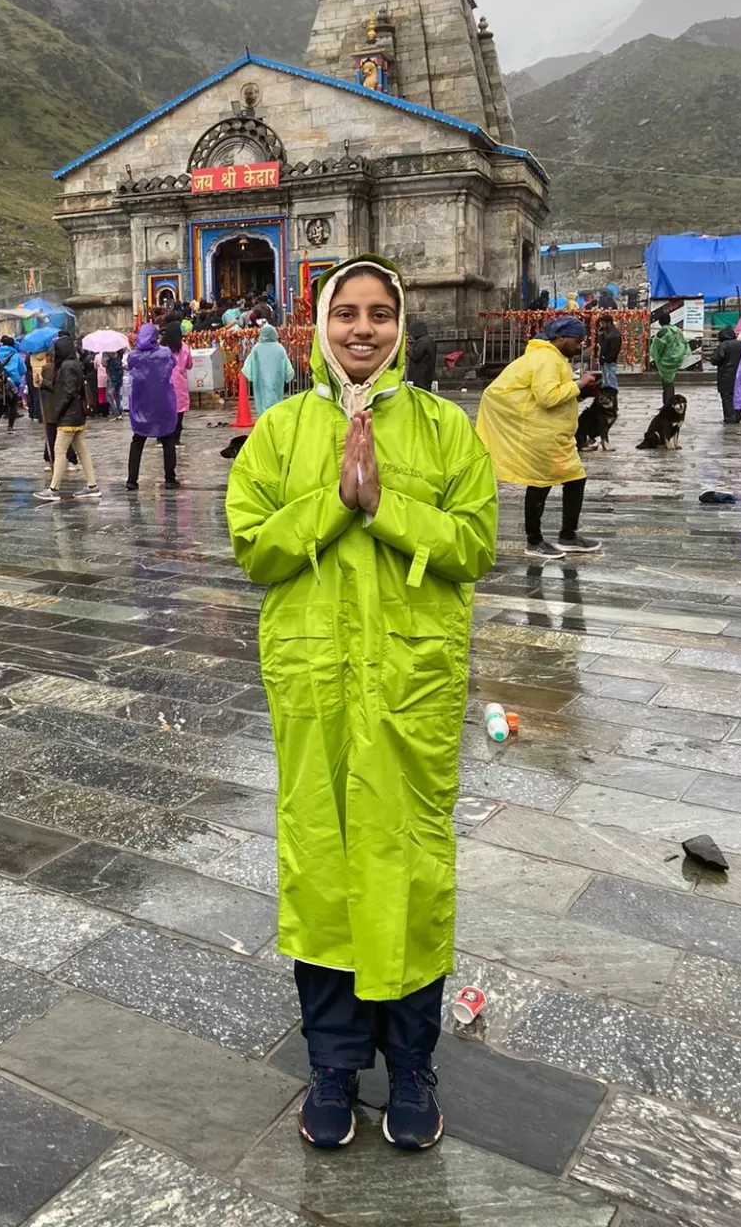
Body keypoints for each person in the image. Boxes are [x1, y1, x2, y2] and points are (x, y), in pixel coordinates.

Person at [226, 254, 497, 1153]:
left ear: (402, 324)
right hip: (315, 689)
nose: (363, 329)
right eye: (347, 311)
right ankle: (334, 1064)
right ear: (320, 323)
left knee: (412, 872)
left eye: (381, 313)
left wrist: (385, 510)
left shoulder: (444, 429)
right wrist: (333, 506)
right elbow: (254, 546)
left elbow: (474, 545)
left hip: (409, 691)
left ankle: (413, 1064)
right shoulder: (280, 431)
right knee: (325, 871)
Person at [476, 314, 600, 559]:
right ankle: (534, 540)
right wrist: (580, 384)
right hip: (540, 433)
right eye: (577, 340)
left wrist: (579, 390)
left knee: (574, 479)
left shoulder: (551, 358)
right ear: (561, 338)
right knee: (540, 483)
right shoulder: (546, 359)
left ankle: (568, 536)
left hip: (553, 434)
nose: (580, 345)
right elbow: (547, 397)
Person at [34, 335, 100, 502]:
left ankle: (54, 488)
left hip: (68, 416)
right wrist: (43, 382)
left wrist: (58, 412)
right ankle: (92, 485)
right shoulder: (72, 364)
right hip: (76, 414)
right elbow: (59, 388)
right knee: (82, 450)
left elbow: (68, 392)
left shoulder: (67, 366)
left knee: (60, 450)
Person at [125, 323, 178, 490]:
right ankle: (170, 478)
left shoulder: (133, 356)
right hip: (162, 402)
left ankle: (132, 480)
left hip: (141, 404)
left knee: (138, 440)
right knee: (168, 439)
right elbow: (173, 365)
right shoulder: (165, 353)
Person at [241, 324, 294, 414]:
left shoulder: (257, 348)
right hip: (277, 382)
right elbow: (288, 367)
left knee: (262, 402)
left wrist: (250, 376)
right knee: (276, 404)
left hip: (260, 383)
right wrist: (288, 375)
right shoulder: (279, 348)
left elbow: (247, 367)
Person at [160, 319, 193, 445]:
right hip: (179, 384)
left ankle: (162, 437)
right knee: (179, 413)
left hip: (164, 383)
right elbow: (189, 365)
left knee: (165, 412)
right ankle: (176, 439)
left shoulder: (161, 348)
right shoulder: (184, 348)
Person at [649, 309, 687, 405]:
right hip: (676, 359)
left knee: (667, 384)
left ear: (659, 322)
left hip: (666, 361)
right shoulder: (677, 331)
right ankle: (669, 403)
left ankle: (668, 404)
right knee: (670, 382)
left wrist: (659, 358)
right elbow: (683, 344)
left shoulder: (662, 333)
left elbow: (656, 350)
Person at [0, 337, 24, 434]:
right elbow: (23, 370)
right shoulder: (16, 355)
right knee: (13, 404)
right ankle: (10, 426)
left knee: (0, 404)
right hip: (13, 383)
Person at [712, 326, 741, 425]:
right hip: (740, 375)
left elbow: (716, 360)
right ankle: (737, 416)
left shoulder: (723, 346)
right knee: (738, 396)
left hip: (726, 376)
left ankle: (729, 418)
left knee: (727, 397)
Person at [405, 320, 436, 392]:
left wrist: (407, 350)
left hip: (420, 376)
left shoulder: (422, 342)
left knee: (420, 393)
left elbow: (415, 356)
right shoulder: (429, 340)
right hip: (427, 374)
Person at [595, 315, 622, 393]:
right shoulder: (607, 333)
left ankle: (613, 396)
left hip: (609, 361)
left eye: (603, 323)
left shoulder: (615, 335)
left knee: (611, 381)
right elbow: (602, 344)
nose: (602, 326)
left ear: (609, 323)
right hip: (604, 360)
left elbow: (615, 350)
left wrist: (607, 359)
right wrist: (600, 335)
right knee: (606, 381)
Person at [105, 349, 125, 419]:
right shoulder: (120, 351)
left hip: (111, 376)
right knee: (118, 394)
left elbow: (104, 364)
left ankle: (116, 412)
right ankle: (120, 411)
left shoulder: (107, 353)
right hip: (119, 374)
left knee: (109, 394)